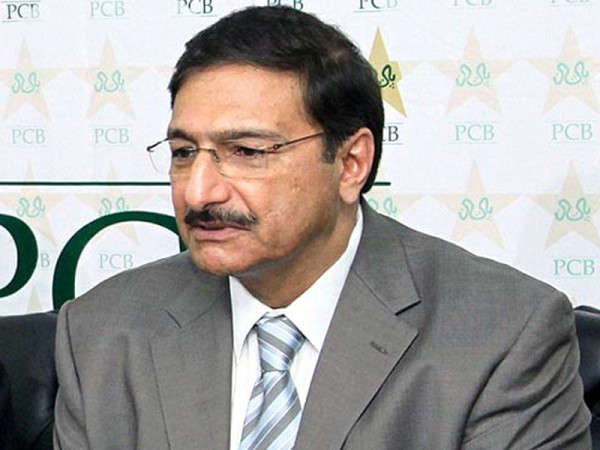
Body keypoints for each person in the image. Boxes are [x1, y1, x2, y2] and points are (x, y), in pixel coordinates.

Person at [54, 5, 591, 449]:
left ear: (351, 163)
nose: (198, 193)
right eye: (183, 152)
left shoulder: (503, 336)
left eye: (247, 152)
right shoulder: (102, 334)